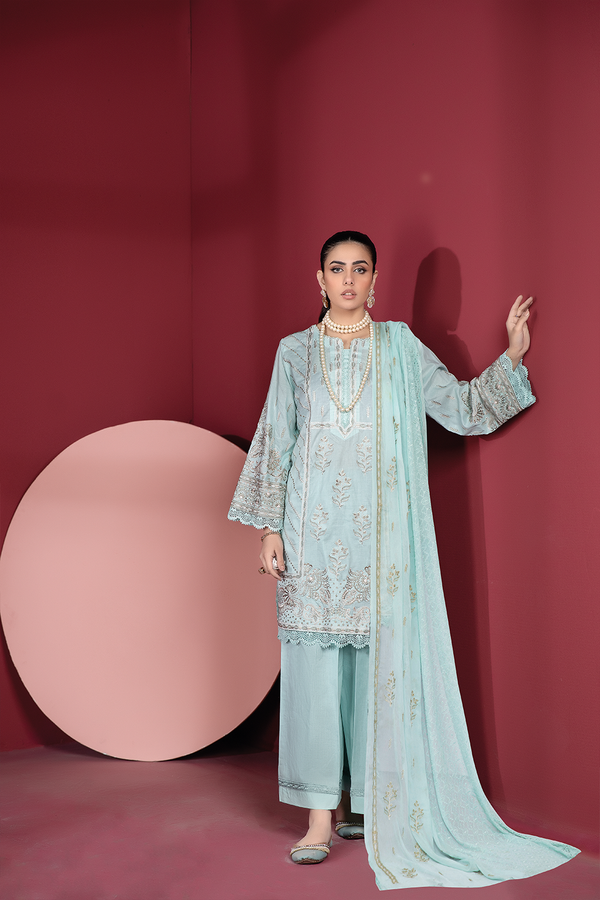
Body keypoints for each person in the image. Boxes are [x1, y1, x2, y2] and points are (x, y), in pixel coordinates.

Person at [228, 231, 578, 889]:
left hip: (381, 541)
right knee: (312, 676)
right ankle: (318, 817)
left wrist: (512, 356)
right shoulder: (295, 352)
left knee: (376, 671)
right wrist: (270, 529)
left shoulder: (399, 348)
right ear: (319, 279)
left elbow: (461, 409)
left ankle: (368, 803)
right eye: (337, 269)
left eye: (360, 268)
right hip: (310, 534)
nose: (348, 279)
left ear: (375, 279)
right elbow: (277, 438)